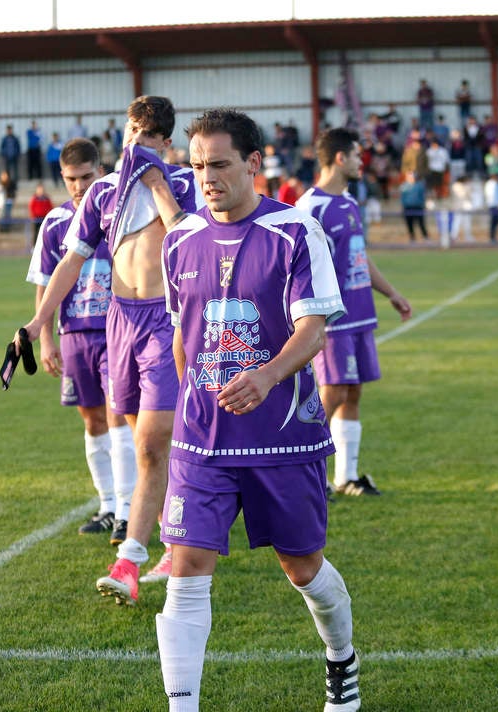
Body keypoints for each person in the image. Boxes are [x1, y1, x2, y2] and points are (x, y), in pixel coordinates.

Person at [157, 107, 361, 712]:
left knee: (303, 569)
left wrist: (268, 375)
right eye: (196, 167)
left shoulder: (295, 232)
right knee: (187, 565)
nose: (206, 178)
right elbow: (180, 336)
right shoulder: (180, 240)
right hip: (204, 441)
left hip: (284, 437)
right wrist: (194, 402)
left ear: (253, 163)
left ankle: (341, 661)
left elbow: (314, 329)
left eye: (218, 165)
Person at [12, 95, 203, 603]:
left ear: (165, 143)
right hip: (120, 323)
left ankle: (129, 560)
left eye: (146, 137)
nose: (134, 145)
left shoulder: (183, 184)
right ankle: (171, 538)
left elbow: (188, 243)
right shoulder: (102, 193)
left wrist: (159, 181)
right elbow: (70, 262)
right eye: (130, 134)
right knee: (143, 442)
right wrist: (37, 323)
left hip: (167, 322)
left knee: (151, 443)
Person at [26, 137, 138, 540]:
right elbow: (44, 280)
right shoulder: (55, 222)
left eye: (87, 177)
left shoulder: (119, 212)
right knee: (91, 420)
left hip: (116, 330)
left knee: (117, 416)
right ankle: (107, 504)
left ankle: (128, 510)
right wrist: (46, 339)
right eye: (71, 179)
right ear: (62, 176)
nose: (79, 186)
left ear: (101, 172)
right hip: (74, 333)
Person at [296, 127, 411, 498]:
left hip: (360, 314)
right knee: (331, 392)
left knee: (353, 392)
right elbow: (300, 270)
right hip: (334, 319)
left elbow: (360, 257)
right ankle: (308, 474)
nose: (364, 162)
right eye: (359, 155)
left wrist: (391, 293)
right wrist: (313, 323)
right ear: (340, 158)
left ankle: (347, 476)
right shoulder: (309, 208)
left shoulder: (347, 202)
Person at [399, 171, 429, 241]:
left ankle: (425, 236)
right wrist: (403, 206)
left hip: (418, 207)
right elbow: (402, 197)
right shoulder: (404, 186)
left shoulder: (419, 185)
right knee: (409, 223)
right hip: (408, 207)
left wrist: (423, 205)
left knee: (421, 222)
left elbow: (422, 197)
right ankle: (412, 237)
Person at [484, 170, 498, 244]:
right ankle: (492, 237)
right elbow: (491, 195)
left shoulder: (495, 184)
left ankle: (493, 237)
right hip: (493, 205)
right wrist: (496, 203)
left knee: (496, 222)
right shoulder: (490, 184)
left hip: (496, 205)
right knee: (493, 222)